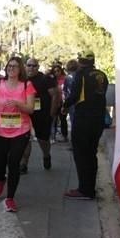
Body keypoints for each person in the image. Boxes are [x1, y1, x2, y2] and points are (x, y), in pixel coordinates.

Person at [0, 56, 36, 213]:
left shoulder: (26, 85)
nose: (11, 68)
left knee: (13, 163)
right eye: (9, 66)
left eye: (15, 66)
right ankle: (2, 179)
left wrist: (17, 104)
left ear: (20, 69)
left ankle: (10, 198)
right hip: (0, 130)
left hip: (20, 130)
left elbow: (30, 109)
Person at [63, 52, 108, 200]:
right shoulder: (102, 75)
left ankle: (84, 189)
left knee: (81, 154)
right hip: (98, 119)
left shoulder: (80, 75)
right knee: (91, 153)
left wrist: (64, 106)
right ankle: (91, 187)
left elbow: (75, 95)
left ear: (80, 62)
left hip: (84, 119)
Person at [20, 58, 57, 173]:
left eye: (34, 66)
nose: (31, 68)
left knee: (43, 140)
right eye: (29, 65)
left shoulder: (45, 79)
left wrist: (52, 113)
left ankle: (46, 155)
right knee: (25, 140)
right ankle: (24, 164)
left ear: (38, 67)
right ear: (25, 66)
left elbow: (55, 96)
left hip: (42, 115)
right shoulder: (22, 80)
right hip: (26, 114)